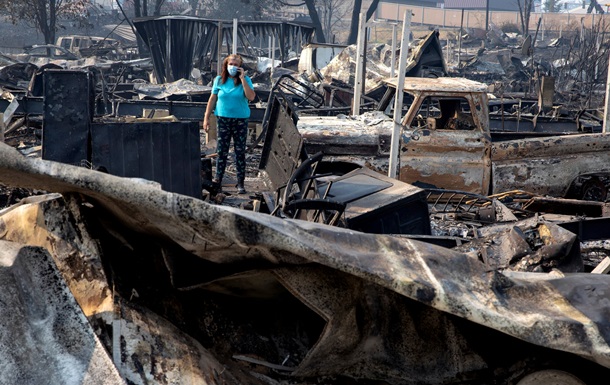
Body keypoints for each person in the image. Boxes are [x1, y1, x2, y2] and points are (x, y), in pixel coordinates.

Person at [203, 54, 255, 194]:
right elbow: (212, 99)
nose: (233, 66)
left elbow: (251, 96)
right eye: (231, 63)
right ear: (226, 65)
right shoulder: (219, 80)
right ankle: (218, 180)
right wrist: (206, 117)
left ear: (240, 67)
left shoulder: (246, 80)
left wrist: (243, 79)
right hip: (223, 119)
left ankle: (240, 183)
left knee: (239, 152)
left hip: (240, 120)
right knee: (222, 151)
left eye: (236, 64)